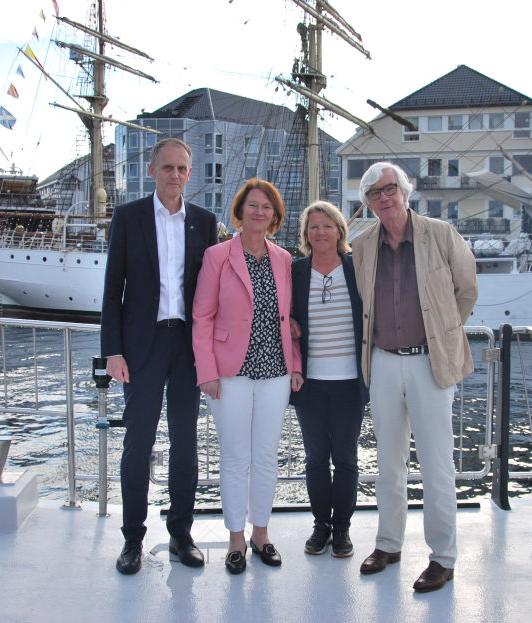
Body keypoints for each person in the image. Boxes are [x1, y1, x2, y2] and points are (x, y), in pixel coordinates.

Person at [352, 162, 478, 593]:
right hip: (383, 361)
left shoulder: (440, 235)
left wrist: (441, 335)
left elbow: (467, 288)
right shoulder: (364, 244)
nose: (384, 198)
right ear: (367, 204)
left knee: (437, 464)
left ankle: (443, 557)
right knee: (388, 463)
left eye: (390, 189)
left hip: (430, 362)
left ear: (405, 191)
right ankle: (389, 544)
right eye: (374, 194)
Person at [100, 137, 218, 575]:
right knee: (138, 445)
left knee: (186, 445)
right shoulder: (128, 217)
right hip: (141, 347)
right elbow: (114, 290)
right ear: (152, 171)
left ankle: (181, 535)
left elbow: (211, 291)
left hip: (187, 346)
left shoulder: (204, 222)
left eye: (182, 169)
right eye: (167, 167)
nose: (174, 175)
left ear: (190, 174)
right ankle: (133, 538)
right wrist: (112, 350)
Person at [192, 178, 303, 574]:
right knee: (236, 457)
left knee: (266, 456)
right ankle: (235, 538)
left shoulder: (284, 259)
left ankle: (261, 534)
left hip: (275, 372)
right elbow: (202, 318)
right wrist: (206, 371)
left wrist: (296, 366)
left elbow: (289, 320)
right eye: (252, 205)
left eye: (267, 207)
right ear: (240, 212)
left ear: (275, 216)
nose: (259, 212)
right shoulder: (217, 256)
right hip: (230, 372)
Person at [290, 201, 368, 557]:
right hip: (311, 382)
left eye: (327, 226)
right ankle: (321, 524)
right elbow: (281, 311)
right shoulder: (296, 272)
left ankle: (342, 528)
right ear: (306, 234)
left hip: (350, 381)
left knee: (347, 458)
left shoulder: (357, 269)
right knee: (316, 457)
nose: (320, 232)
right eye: (313, 227)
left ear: (340, 230)